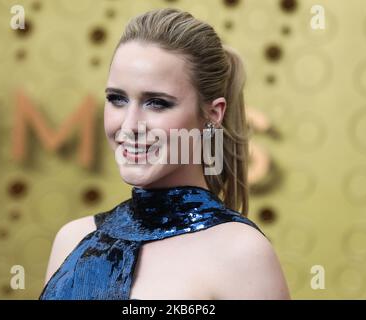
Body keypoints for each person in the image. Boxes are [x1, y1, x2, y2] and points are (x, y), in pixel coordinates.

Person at [39, 8, 290, 300]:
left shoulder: (241, 253)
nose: (129, 125)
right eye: (117, 99)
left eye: (157, 103)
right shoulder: (72, 239)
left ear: (212, 114)